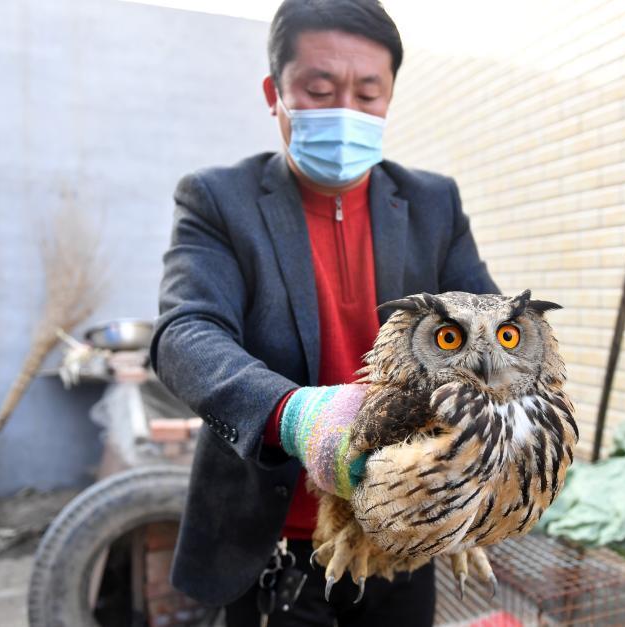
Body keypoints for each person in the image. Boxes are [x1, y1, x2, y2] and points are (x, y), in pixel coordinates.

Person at [150, 1, 498, 624]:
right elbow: (185, 332)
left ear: (391, 96)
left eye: (368, 93)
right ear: (274, 93)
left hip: (404, 527)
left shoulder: (432, 203)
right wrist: (293, 415)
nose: (345, 112)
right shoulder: (219, 200)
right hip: (277, 543)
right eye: (319, 90)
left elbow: (488, 328)